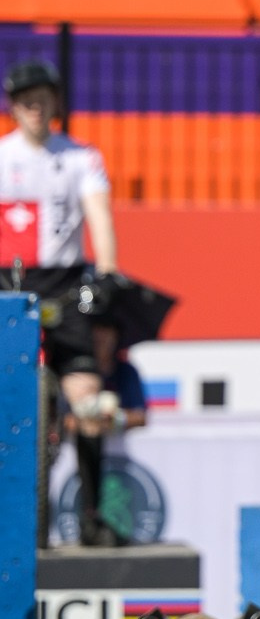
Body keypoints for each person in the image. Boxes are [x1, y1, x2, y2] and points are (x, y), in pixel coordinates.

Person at [0, 58, 126, 545]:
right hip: (9, 289)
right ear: (13, 107)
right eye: (25, 99)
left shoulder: (80, 157)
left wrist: (109, 271)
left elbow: (100, 216)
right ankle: (18, 526)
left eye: (43, 97)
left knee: (89, 402)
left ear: (55, 102)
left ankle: (93, 519)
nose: (35, 106)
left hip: (68, 286)